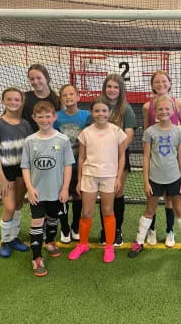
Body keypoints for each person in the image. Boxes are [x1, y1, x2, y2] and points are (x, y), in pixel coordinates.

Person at [128, 95, 181, 263]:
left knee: (179, 209)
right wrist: (146, 181)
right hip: (154, 179)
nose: (164, 111)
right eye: (160, 109)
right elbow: (145, 158)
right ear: (155, 112)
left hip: (174, 179)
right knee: (149, 210)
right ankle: (139, 242)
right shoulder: (150, 132)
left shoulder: (178, 132)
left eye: (167, 109)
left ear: (173, 111)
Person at [68, 97, 127, 264]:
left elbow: (122, 156)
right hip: (89, 176)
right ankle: (82, 244)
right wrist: (79, 180)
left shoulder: (117, 132)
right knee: (86, 212)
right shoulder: (86, 133)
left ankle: (109, 246)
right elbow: (81, 158)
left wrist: (118, 177)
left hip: (109, 176)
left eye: (104, 111)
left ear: (109, 113)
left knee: (107, 211)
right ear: (92, 113)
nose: (100, 114)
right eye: (97, 111)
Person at [21, 101, 74, 276]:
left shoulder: (63, 140)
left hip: (56, 192)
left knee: (53, 219)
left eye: (48, 116)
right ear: (34, 118)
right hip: (37, 193)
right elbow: (26, 167)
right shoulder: (29, 141)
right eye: (40, 116)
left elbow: (67, 166)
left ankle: (50, 241)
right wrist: (30, 187)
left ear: (54, 117)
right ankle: (36, 258)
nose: (44, 120)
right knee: (37, 222)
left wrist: (65, 189)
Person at [141, 70, 181, 248]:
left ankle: (170, 230)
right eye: (157, 82)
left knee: (170, 199)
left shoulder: (178, 103)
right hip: (156, 159)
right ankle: (151, 230)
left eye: (164, 81)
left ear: (170, 83)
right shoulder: (147, 106)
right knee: (152, 196)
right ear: (152, 85)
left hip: (173, 158)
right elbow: (147, 130)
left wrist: (179, 142)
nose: (161, 84)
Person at [0, 88, 33, 258]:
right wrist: (1, 178)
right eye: (10, 99)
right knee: (9, 207)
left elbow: (30, 148)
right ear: (3, 101)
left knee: (19, 205)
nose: (13, 102)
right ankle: (5, 240)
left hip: (22, 170)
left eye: (17, 100)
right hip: (6, 170)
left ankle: (14, 238)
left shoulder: (25, 124)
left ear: (21, 102)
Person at [98, 73, 136, 247]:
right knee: (105, 194)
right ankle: (105, 230)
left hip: (119, 158)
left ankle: (117, 229)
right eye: (109, 86)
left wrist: (115, 152)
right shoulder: (99, 106)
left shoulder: (126, 109)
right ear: (104, 88)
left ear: (121, 90)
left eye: (115, 87)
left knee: (117, 192)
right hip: (100, 158)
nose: (112, 90)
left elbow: (129, 134)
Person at [54, 84, 90, 244]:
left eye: (71, 94)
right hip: (62, 167)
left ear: (78, 97)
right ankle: (65, 228)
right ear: (61, 99)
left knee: (78, 196)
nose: (68, 97)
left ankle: (76, 227)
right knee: (63, 197)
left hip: (80, 165)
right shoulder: (56, 117)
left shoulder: (86, 115)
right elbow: (53, 140)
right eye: (64, 95)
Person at [22, 64, 61, 132]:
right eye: (32, 79)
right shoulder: (24, 98)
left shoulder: (57, 100)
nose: (35, 82)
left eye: (39, 78)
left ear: (47, 78)